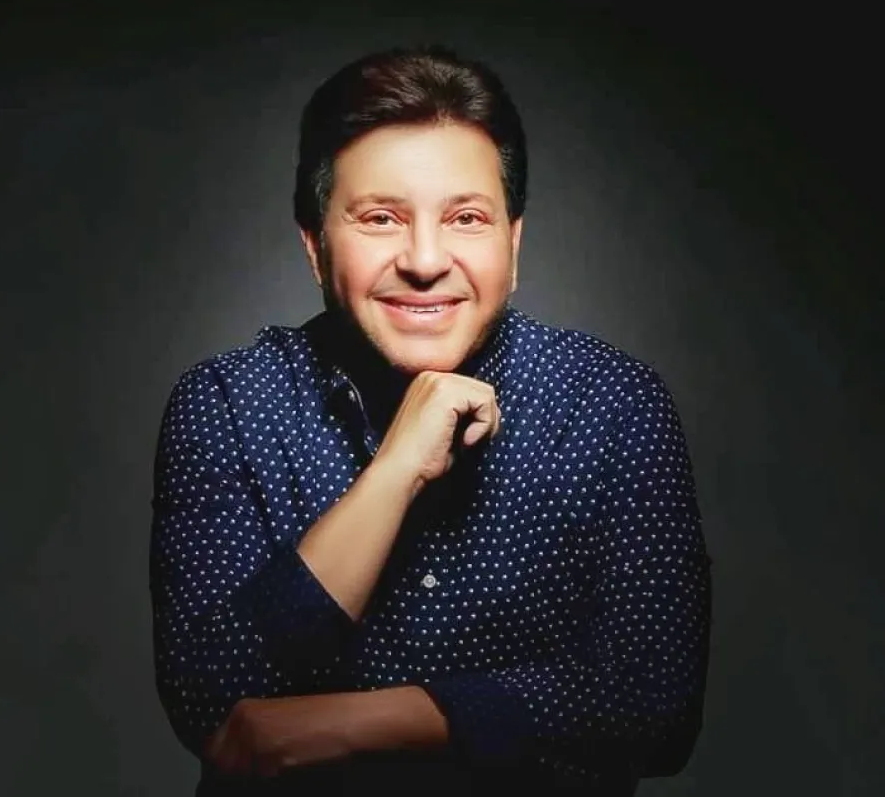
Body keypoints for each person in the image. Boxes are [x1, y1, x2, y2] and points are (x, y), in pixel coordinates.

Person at [148, 45, 713, 796]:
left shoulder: (612, 402)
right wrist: (395, 471)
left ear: (513, 242)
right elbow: (214, 703)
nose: (424, 259)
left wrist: (359, 721)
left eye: (466, 218)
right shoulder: (229, 402)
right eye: (381, 218)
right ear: (314, 245)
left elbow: (656, 702)